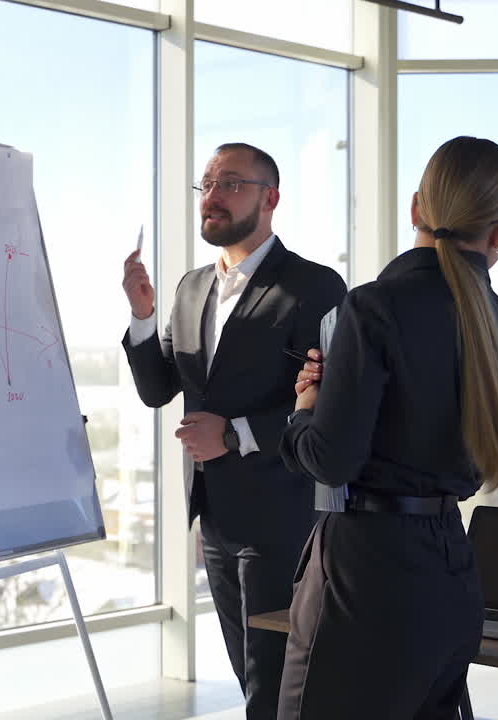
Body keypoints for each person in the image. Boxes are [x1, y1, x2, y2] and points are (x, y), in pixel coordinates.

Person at [276, 136, 498, 720]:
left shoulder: (371, 309)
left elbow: (330, 459)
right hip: (451, 573)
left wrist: (306, 410)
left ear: (417, 209)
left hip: (363, 576)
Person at [122, 143, 346, 719]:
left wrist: (236, 433)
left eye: (229, 184)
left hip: (284, 513)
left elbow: (331, 403)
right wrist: (143, 316)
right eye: (207, 185)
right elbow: (158, 389)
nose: (212, 198)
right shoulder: (191, 287)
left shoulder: (315, 287)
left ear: (270, 198)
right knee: (249, 676)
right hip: (215, 517)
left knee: (279, 683)